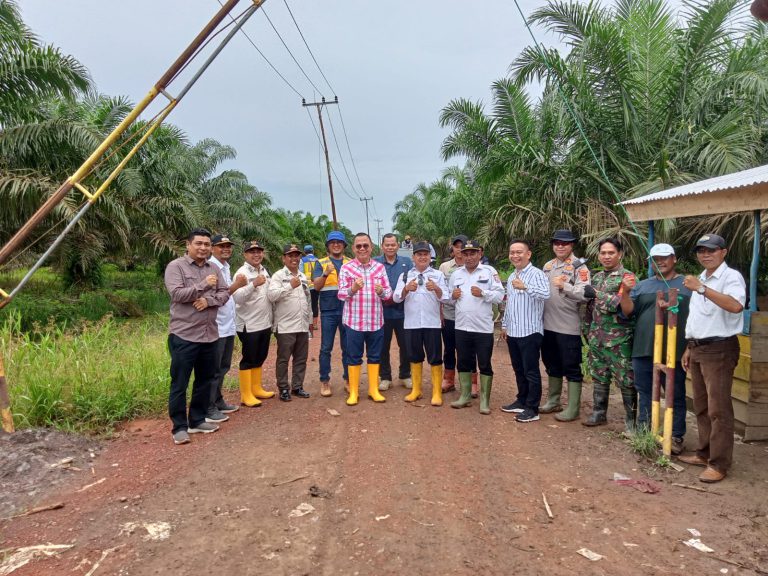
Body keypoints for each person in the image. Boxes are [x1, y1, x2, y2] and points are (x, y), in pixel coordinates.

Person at [678, 233, 745, 483]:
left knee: (719, 409)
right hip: (699, 348)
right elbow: (699, 319)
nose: (705, 254)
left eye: (711, 250)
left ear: (723, 252)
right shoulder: (702, 277)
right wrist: (689, 347)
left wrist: (703, 289)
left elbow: (736, 306)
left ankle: (719, 463)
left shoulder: (730, 277)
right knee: (702, 406)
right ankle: (705, 453)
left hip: (720, 348)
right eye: (701, 251)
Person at [619, 243, 690, 455]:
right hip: (644, 348)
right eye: (655, 258)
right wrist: (626, 292)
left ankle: (675, 435)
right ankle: (645, 430)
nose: (660, 261)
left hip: (674, 350)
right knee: (645, 390)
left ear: (674, 258)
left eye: (664, 257)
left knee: (674, 393)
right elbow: (628, 311)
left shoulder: (687, 285)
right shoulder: (642, 286)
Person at [164, 228, 229, 445]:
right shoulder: (176, 267)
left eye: (206, 244)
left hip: (210, 335)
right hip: (184, 335)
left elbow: (224, 293)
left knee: (204, 381)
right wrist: (202, 286)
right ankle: (179, 427)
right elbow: (176, 294)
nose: (203, 248)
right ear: (188, 245)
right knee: (180, 382)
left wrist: (209, 301)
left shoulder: (214, 268)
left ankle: (197, 420)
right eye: (198, 244)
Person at [582, 237, 637, 431]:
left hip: (618, 339)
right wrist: (587, 330)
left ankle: (631, 421)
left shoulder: (627, 277)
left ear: (619, 254)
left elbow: (619, 303)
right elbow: (590, 307)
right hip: (597, 336)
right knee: (599, 375)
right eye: (603, 253)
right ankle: (599, 412)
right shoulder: (597, 277)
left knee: (626, 379)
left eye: (610, 253)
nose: (606, 256)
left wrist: (597, 294)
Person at [448, 240, 505, 414]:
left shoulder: (489, 272)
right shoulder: (456, 274)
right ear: (461, 255)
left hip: (482, 328)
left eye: (473, 253)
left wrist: (483, 293)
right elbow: (449, 299)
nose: (469, 257)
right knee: (463, 362)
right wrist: (453, 295)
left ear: (480, 254)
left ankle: (484, 401)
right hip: (462, 326)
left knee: (484, 363)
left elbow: (500, 295)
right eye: (465, 253)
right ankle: (465, 396)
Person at [540, 230, 591, 422]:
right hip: (547, 324)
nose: (560, 246)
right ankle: (553, 400)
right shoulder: (548, 266)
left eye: (565, 243)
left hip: (568, 326)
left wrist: (565, 286)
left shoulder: (580, 266)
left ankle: (573, 407)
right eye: (557, 243)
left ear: (572, 245)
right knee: (551, 363)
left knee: (571, 366)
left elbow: (586, 293)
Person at [337, 232, 393, 405]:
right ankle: (353, 392)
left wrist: (382, 292)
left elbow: (388, 293)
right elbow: (340, 294)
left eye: (365, 245)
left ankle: (373, 390)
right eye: (359, 246)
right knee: (353, 357)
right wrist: (352, 289)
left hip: (376, 321)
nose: (362, 248)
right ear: (353, 248)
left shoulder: (379, 268)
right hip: (354, 322)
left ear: (371, 248)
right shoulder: (346, 268)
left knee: (375, 356)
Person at [393, 241, 450, 406]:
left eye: (425, 254)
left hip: (432, 323)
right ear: (413, 257)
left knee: (435, 358)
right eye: (419, 254)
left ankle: (436, 392)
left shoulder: (438, 275)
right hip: (411, 324)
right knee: (414, 356)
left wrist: (437, 288)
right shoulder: (405, 276)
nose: (422, 257)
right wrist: (406, 289)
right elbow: (396, 297)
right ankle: (416, 390)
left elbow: (446, 297)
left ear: (430, 257)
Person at [500, 239, 550, 423]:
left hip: (530, 331)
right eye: (512, 252)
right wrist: (505, 325)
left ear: (528, 254)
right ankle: (521, 400)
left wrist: (526, 287)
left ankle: (532, 408)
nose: (515, 255)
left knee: (531, 371)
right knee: (518, 369)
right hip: (513, 331)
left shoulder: (536, 274)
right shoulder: (513, 276)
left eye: (519, 252)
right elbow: (510, 304)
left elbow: (546, 294)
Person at [231, 240, 275, 407]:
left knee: (260, 356)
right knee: (248, 359)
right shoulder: (241, 273)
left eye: (259, 251)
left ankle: (256, 388)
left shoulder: (264, 270)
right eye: (252, 252)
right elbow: (237, 297)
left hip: (264, 322)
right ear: (245, 255)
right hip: (248, 324)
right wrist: (253, 284)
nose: (256, 254)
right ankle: (246, 394)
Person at [268, 244, 312, 402]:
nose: (294, 258)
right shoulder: (278, 276)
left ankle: (297, 387)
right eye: (290, 255)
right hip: (285, 325)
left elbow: (307, 300)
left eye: (296, 255)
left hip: (302, 324)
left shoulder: (303, 275)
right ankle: (283, 388)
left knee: (301, 358)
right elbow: (272, 295)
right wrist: (289, 286)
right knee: (283, 359)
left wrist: (310, 321)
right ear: (284, 258)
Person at [206, 234, 240, 424]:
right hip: (215, 327)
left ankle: (218, 400)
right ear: (212, 248)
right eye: (221, 246)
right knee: (213, 369)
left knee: (224, 366)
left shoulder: (225, 267)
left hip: (228, 327)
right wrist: (235, 286)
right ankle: (208, 407)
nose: (226, 249)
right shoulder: (210, 268)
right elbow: (214, 296)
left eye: (228, 246)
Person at [313, 231, 351, 397]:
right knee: (326, 348)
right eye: (332, 242)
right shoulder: (320, 263)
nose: (336, 245)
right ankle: (324, 381)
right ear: (328, 245)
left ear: (344, 245)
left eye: (339, 242)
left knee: (348, 347)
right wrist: (325, 273)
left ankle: (348, 379)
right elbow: (317, 287)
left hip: (348, 309)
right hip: (328, 311)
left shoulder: (351, 263)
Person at [374, 233, 413, 391]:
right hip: (381, 312)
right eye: (387, 245)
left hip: (403, 312)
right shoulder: (375, 263)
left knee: (405, 345)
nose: (390, 247)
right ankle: (385, 377)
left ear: (398, 246)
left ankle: (405, 375)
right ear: (382, 246)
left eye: (393, 244)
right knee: (383, 346)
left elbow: (412, 281)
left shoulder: (406, 262)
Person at [439, 234, 468, 391]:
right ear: (453, 248)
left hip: (469, 316)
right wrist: (440, 313)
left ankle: (471, 382)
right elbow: (440, 292)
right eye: (457, 246)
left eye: (462, 246)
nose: (460, 250)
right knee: (449, 348)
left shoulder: (474, 265)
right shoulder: (445, 267)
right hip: (450, 315)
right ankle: (448, 380)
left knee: (467, 350)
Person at [301, 244, 320, 333]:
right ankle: (315, 324)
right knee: (315, 304)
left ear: (305, 252)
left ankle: (308, 323)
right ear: (312, 251)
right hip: (315, 285)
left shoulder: (302, 260)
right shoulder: (317, 260)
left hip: (306, 286)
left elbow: (300, 273)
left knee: (306, 304)